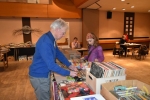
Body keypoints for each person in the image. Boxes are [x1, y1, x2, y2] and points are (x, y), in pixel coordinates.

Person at [29, 18, 77, 100]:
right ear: (57, 29)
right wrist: (69, 73)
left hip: (43, 73)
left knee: (47, 96)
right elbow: (51, 65)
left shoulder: (51, 39)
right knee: (44, 97)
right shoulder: (45, 42)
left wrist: (69, 65)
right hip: (39, 75)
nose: (64, 35)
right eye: (63, 32)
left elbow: (58, 53)